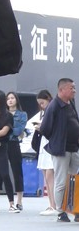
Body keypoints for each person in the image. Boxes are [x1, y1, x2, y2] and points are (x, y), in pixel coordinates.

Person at [39, 78, 79, 223]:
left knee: (75, 180)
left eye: (74, 88)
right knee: (61, 182)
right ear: (61, 90)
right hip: (61, 150)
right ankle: (60, 212)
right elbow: (44, 129)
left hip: (74, 148)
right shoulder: (54, 106)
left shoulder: (71, 102)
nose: (74, 90)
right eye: (71, 88)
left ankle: (75, 209)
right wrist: (57, 139)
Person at [30, 90, 56, 215]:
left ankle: (54, 205)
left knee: (50, 176)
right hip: (43, 145)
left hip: (50, 145)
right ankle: (51, 204)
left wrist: (42, 128)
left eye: (42, 103)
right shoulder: (44, 113)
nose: (41, 105)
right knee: (46, 176)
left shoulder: (54, 111)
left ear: (48, 100)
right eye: (39, 103)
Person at [6, 91, 27, 211]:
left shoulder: (22, 114)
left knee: (17, 171)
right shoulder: (2, 113)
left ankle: (19, 201)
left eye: (12, 98)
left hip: (14, 143)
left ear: (16, 100)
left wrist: (5, 129)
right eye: (8, 98)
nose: (10, 100)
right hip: (3, 144)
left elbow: (18, 131)